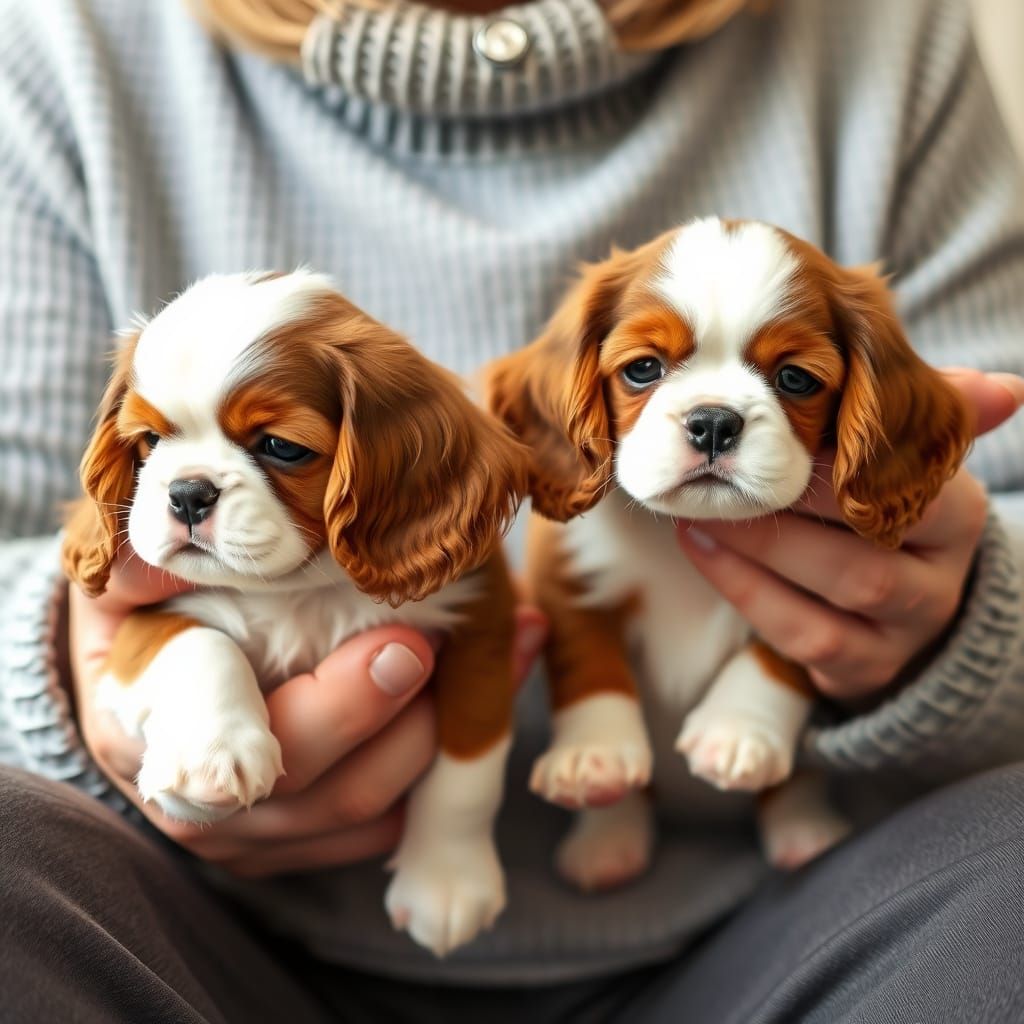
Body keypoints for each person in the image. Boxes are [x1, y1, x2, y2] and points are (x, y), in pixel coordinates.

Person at [1, 0, 1023, 1020]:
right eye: (150, 442)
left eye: (280, 446)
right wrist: (69, 683)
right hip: (201, 929)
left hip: (780, 920)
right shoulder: (63, 37)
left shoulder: (886, 27)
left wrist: (965, 623)